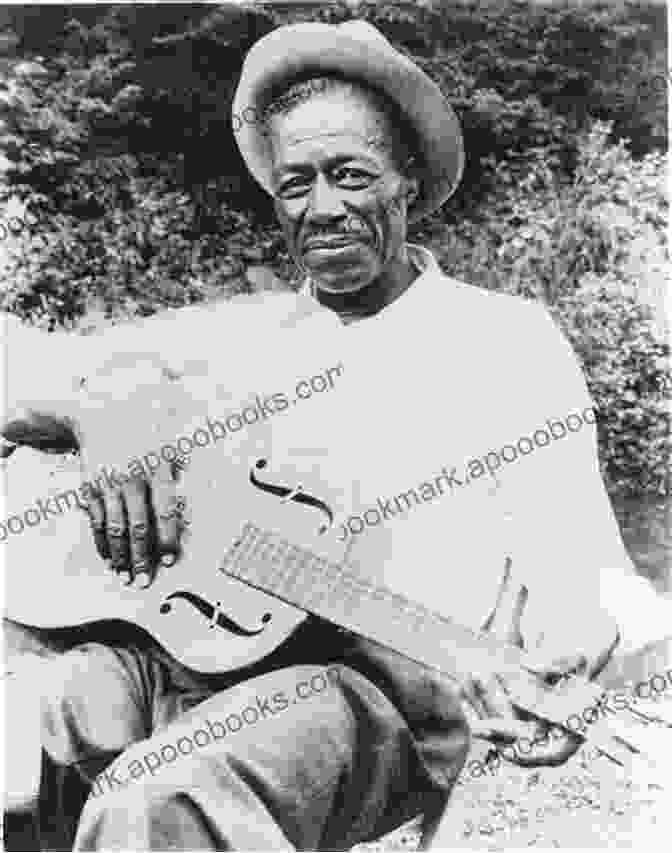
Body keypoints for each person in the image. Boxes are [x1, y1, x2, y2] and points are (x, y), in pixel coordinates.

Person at [2, 20, 669, 851]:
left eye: (350, 175)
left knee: (158, 801)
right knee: (15, 737)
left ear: (407, 181)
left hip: (381, 685)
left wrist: (573, 660)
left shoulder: (506, 340)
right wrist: (98, 404)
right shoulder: (237, 336)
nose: (322, 208)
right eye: (296, 184)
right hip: (183, 653)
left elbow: (583, 563)